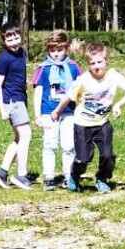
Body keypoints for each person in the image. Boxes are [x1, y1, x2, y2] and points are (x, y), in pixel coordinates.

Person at [55, 42, 125, 192]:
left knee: (108, 155)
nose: (96, 66)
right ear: (88, 65)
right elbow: (68, 96)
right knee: (83, 158)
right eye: (92, 63)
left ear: (107, 61)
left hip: (102, 123)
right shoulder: (83, 80)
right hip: (82, 125)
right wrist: (57, 111)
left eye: (100, 62)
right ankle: (74, 175)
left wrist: (118, 105)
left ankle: (102, 178)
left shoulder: (113, 75)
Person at [31, 29, 80, 190]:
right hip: (48, 112)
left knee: (68, 145)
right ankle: (49, 177)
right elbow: (38, 91)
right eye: (52, 50)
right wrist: (37, 115)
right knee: (49, 144)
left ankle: (68, 176)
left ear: (66, 48)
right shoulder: (43, 68)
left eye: (60, 50)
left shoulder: (73, 67)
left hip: (69, 112)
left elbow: (81, 88)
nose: (56, 54)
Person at [0, 23, 34, 188]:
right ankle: (21, 175)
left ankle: (2, 172)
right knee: (26, 135)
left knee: (19, 138)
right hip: (12, 101)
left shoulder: (22, 53)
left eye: (16, 38)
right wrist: (2, 109)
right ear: (3, 41)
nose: (14, 42)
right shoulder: (4, 59)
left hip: (20, 99)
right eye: (9, 40)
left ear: (21, 37)